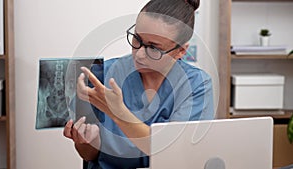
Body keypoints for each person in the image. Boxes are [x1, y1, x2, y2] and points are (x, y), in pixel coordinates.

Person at [63, 0, 214, 168]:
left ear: (181, 51)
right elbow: (89, 155)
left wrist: (117, 112)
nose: (139, 54)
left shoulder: (196, 85)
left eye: (154, 48)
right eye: (137, 39)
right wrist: (85, 142)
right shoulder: (102, 74)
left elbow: (174, 153)